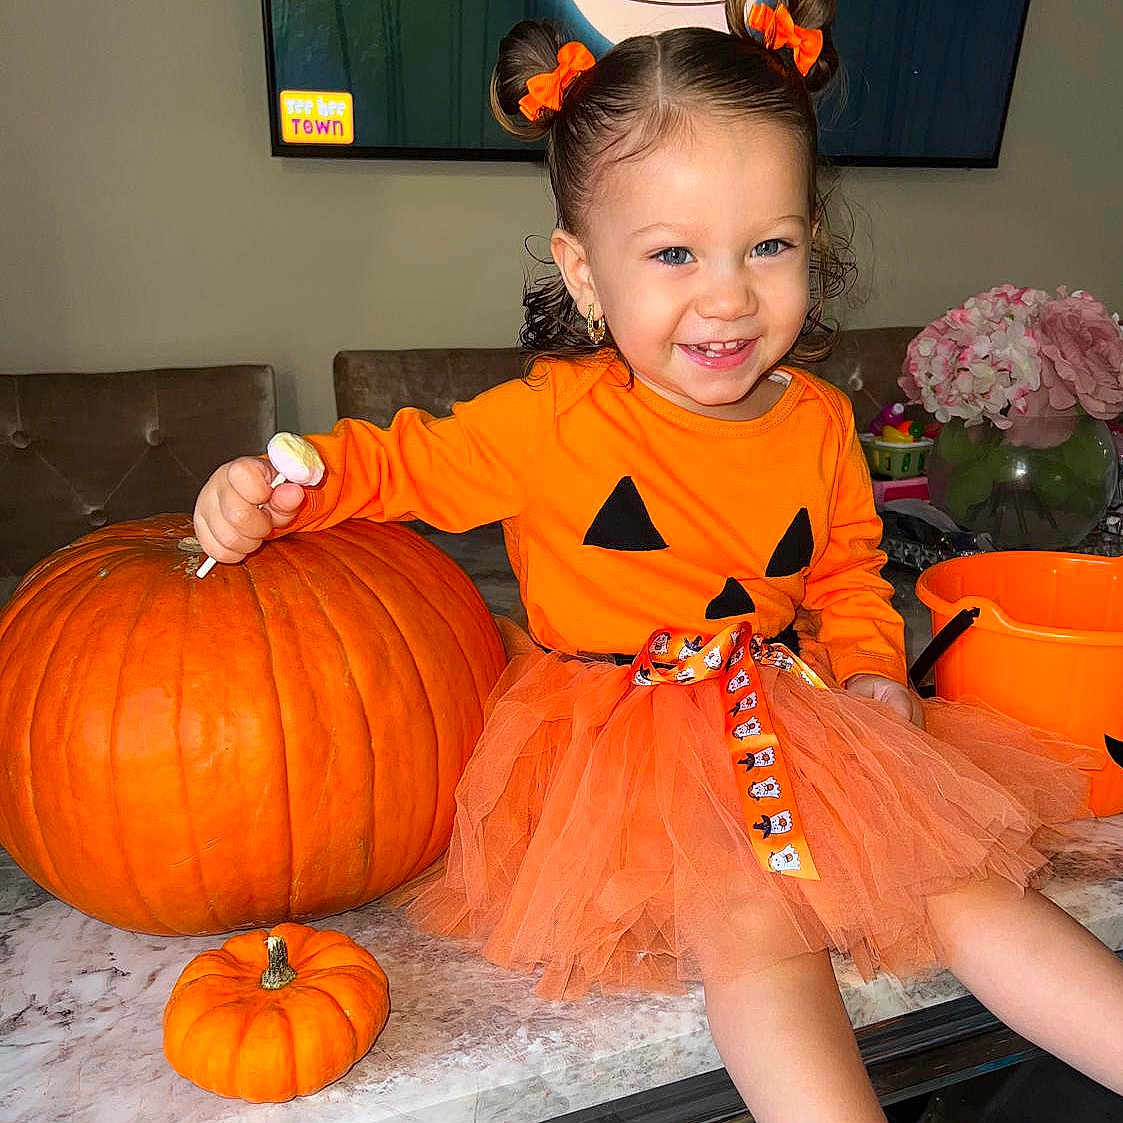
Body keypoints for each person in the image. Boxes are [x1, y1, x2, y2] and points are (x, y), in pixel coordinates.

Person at [193, 4, 1123, 1119]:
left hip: (797, 713)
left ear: (810, 245)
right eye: (674, 253)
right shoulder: (552, 422)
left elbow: (844, 570)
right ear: (583, 274)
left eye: (766, 246)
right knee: (750, 928)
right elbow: (401, 464)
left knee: (967, 882)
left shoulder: (820, 418)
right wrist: (279, 484)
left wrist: (876, 668)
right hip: (617, 746)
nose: (726, 296)